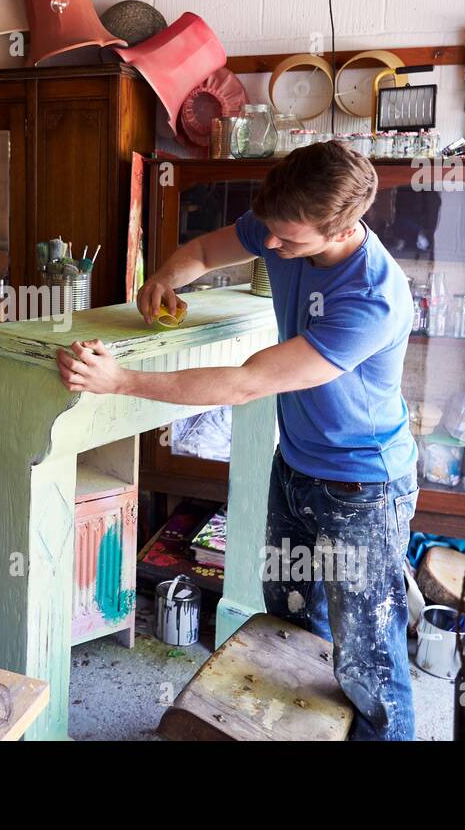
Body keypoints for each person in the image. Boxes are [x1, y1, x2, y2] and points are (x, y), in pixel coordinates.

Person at [56, 141, 418, 740]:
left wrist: (120, 380)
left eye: (288, 241)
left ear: (342, 226)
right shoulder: (280, 225)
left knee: (368, 664)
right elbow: (203, 249)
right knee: (292, 630)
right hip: (297, 466)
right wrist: (165, 278)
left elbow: (248, 382)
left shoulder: (373, 297)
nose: (270, 247)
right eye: (268, 231)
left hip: (363, 488)